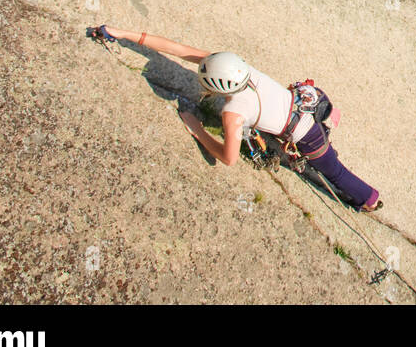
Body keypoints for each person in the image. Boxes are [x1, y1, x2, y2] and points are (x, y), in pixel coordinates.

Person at [89, 25, 381, 211]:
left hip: (306, 134)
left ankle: (369, 199)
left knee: (335, 172)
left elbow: (227, 159)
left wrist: (197, 130)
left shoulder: (233, 113)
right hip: (303, 109)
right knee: (325, 158)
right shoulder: (241, 69)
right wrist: (124, 35)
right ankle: (335, 155)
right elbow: (178, 50)